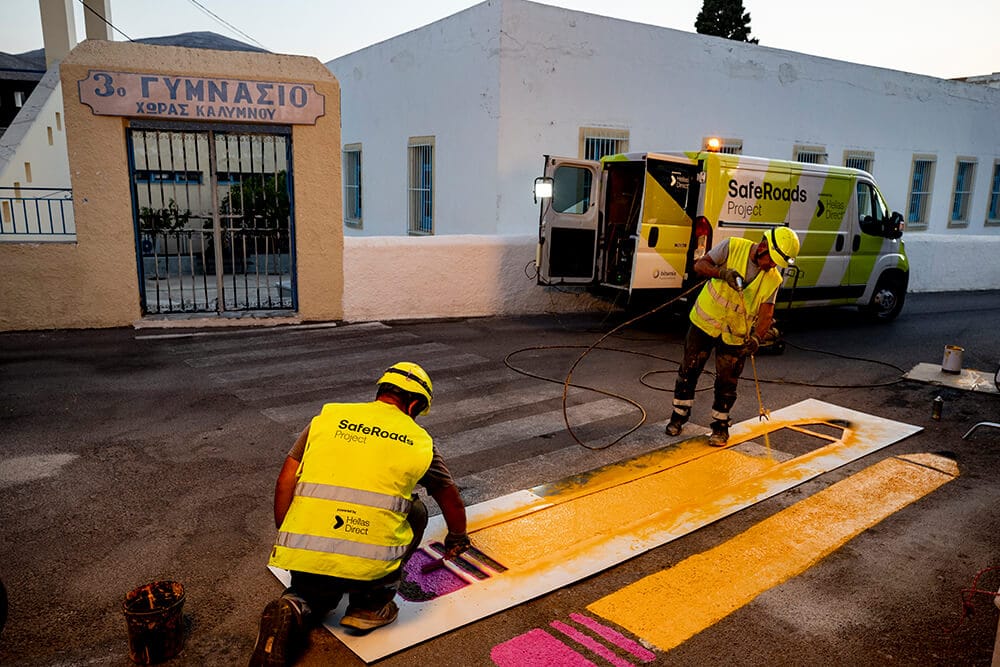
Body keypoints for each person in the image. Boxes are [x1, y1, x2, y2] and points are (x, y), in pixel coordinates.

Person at [250, 361, 470, 667]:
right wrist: (458, 537)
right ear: (416, 404)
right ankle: (369, 606)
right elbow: (451, 501)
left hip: (307, 556)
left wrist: (289, 534)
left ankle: (295, 605)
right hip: (370, 567)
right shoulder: (419, 442)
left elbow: (286, 479)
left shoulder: (328, 419)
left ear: (381, 391)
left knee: (312, 596)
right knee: (416, 509)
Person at [665, 227, 801, 446]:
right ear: (763, 246)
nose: (772, 265)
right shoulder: (732, 246)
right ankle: (678, 417)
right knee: (689, 369)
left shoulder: (773, 279)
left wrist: (757, 338)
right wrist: (722, 273)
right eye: (771, 260)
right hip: (704, 323)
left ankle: (720, 426)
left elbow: (767, 314)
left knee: (727, 381)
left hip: (735, 334)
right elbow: (699, 265)